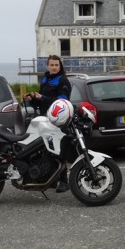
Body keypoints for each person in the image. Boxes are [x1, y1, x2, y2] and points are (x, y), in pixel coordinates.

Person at [24, 55, 73, 192]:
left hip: (59, 120)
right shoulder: (45, 79)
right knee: (45, 150)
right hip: (45, 118)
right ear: (47, 66)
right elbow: (40, 101)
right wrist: (32, 99)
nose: (54, 67)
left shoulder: (63, 80)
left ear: (60, 66)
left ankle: (64, 181)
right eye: (51, 65)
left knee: (58, 151)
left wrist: (43, 97)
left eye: (56, 65)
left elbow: (62, 101)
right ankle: (50, 180)